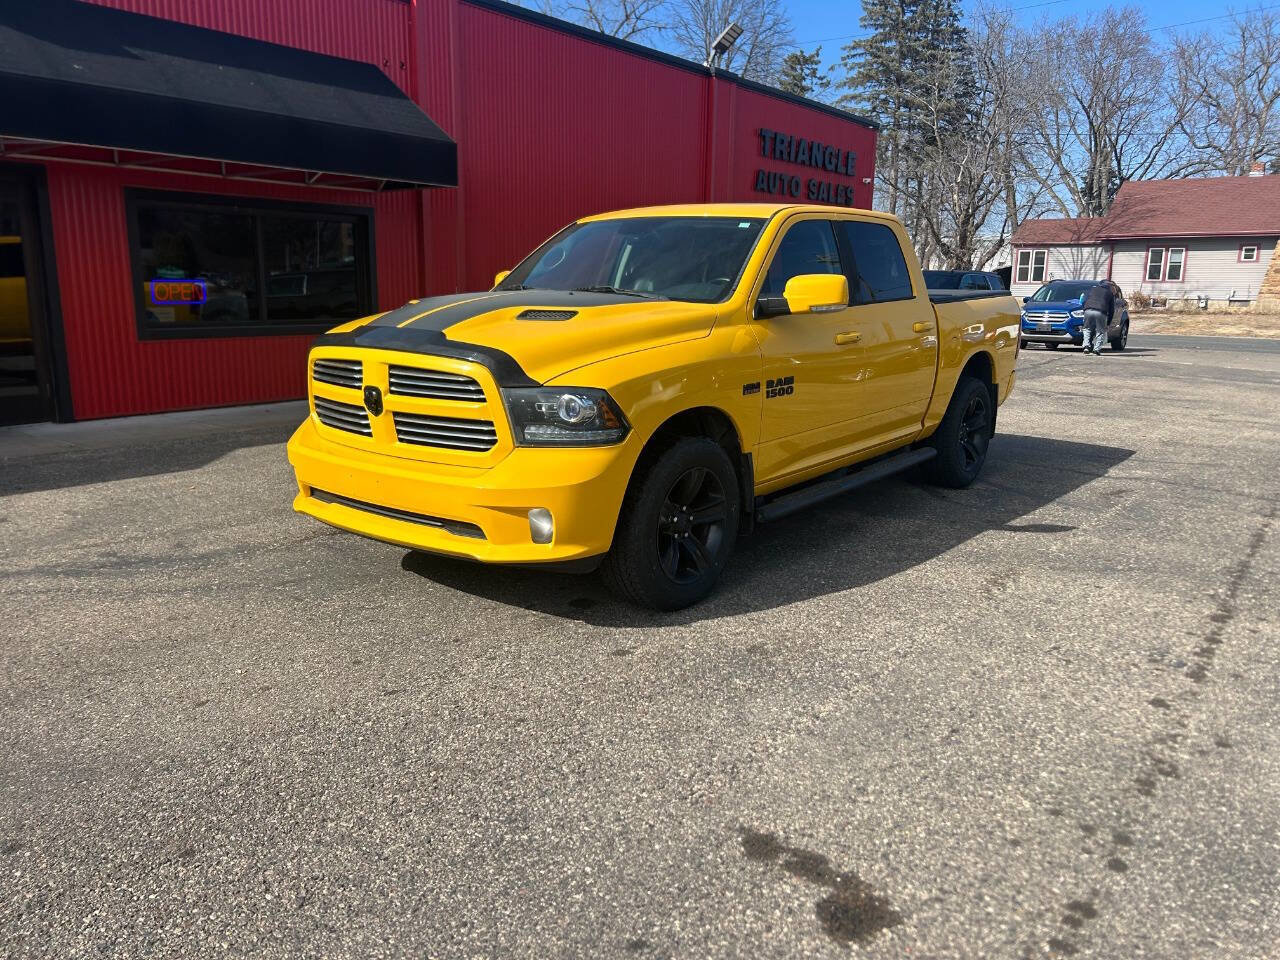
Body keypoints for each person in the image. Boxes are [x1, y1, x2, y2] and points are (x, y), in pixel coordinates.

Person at [1080, 280, 1115, 355]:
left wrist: (1085, 309)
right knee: (1100, 331)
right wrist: (1108, 322)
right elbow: (1112, 309)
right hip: (1100, 312)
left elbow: (1084, 301)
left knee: (1086, 329)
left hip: (1088, 310)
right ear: (1108, 287)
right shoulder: (1109, 293)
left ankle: (1086, 346)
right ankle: (1096, 350)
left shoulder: (1092, 290)